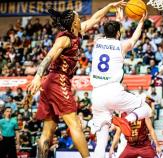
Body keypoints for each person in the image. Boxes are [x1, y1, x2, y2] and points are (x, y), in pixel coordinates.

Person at [26, 1, 126, 157]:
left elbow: (96, 17)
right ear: (74, 22)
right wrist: (38, 76)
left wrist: (111, 5)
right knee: (75, 124)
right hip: (57, 80)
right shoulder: (64, 39)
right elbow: (49, 57)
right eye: (78, 17)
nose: (81, 18)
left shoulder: (77, 33)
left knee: (48, 130)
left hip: (50, 83)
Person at [89, 8, 153, 158]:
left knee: (101, 142)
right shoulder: (121, 46)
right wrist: (141, 22)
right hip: (114, 91)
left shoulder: (97, 42)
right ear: (118, 33)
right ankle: (126, 119)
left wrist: (117, 21)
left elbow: (111, 35)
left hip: (97, 94)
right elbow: (134, 39)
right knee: (147, 109)